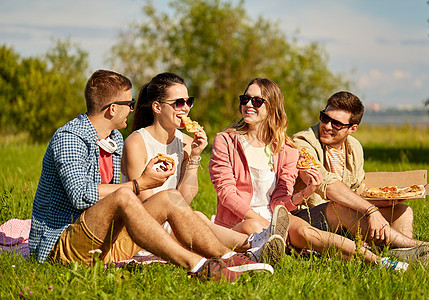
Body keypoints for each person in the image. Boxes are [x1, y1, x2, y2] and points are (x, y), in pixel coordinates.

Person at [28, 69, 274, 282]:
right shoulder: (70, 138)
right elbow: (81, 196)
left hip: (105, 242)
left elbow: (180, 198)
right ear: (112, 109)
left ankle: (229, 258)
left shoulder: (113, 138)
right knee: (125, 196)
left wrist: (194, 156)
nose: (133, 109)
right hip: (63, 246)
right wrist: (139, 184)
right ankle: (197, 265)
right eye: (129, 104)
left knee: (168, 197)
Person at [209, 78, 409, 272]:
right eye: (245, 99)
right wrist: (264, 223)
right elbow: (226, 193)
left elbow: (280, 200)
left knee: (305, 231)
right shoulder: (226, 141)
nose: (249, 105)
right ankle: (269, 249)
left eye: (257, 101)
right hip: (240, 221)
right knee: (255, 226)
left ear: (273, 108)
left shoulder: (285, 148)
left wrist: (306, 192)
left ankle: (381, 262)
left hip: (275, 217)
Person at [121, 72, 287, 265]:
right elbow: (145, 203)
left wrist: (194, 156)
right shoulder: (136, 142)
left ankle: (253, 246)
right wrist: (183, 221)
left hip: (176, 220)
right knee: (197, 218)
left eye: (188, 102)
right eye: (178, 103)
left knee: (243, 224)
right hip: (145, 227)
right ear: (157, 107)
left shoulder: (185, 143)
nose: (185, 109)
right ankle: (254, 246)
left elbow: (185, 198)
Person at [291, 91, 429, 265]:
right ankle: (425, 247)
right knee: (341, 208)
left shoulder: (354, 147)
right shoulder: (302, 142)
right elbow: (327, 185)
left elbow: (356, 191)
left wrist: (384, 202)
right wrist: (371, 210)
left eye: (336, 124)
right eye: (325, 118)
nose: (327, 126)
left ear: (352, 128)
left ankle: (402, 254)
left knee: (403, 211)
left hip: (342, 219)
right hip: (306, 218)